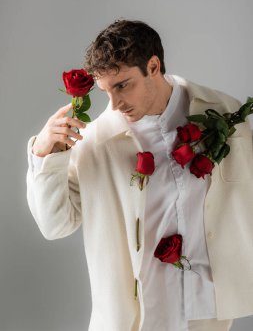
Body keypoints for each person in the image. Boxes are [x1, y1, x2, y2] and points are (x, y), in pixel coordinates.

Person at [26, 19, 253, 331]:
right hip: (136, 315)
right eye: (107, 91)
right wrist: (44, 153)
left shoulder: (223, 112)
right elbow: (55, 225)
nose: (116, 104)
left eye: (123, 85)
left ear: (154, 66)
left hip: (207, 309)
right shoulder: (96, 144)